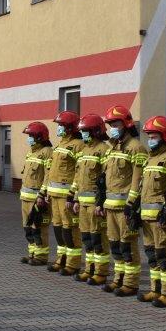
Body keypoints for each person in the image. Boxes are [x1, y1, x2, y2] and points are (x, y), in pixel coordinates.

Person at [101, 106, 148, 295]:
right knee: (115, 244)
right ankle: (118, 279)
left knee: (127, 245)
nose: (112, 127)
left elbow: (138, 180)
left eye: (116, 123)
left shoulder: (136, 148)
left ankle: (130, 283)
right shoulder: (112, 148)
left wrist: (132, 204)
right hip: (111, 207)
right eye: (111, 124)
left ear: (126, 124)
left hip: (125, 209)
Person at [137, 116, 166, 306]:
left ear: (164, 136)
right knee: (152, 256)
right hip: (146, 218)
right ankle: (156, 290)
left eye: (154, 136)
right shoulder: (150, 158)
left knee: (165, 256)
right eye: (149, 136)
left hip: (161, 220)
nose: (150, 139)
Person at [40, 111, 85, 273]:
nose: (58, 128)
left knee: (70, 229)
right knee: (58, 228)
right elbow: (50, 171)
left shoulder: (79, 145)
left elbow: (80, 173)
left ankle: (73, 264)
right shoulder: (59, 146)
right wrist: (45, 193)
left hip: (67, 196)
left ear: (70, 128)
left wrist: (74, 196)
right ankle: (61, 259)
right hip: (54, 196)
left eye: (61, 125)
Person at [69, 114, 111, 282]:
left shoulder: (104, 149)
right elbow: (78, 177)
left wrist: (101, 202)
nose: (83, 134)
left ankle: (100, 273)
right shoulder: (84, 150)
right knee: (86, 237)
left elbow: (106, 180)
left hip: (95, 204)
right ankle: (89, 269)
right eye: (82, 131)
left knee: (98, 238)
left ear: (95, 131)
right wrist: (76, 199)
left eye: (86, 131)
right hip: (83, 204)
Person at [19, 122, 53, 266]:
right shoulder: (31, 152)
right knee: (28, 227)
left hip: (37, 199)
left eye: (31, 135)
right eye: (29, 136)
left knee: (39, 228)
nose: (29, 138)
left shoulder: (47, 152)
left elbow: (48, 176)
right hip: (26, 198)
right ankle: (32, 253)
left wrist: (42, 195)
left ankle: (41, 256)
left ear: (40, 137)